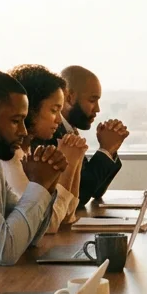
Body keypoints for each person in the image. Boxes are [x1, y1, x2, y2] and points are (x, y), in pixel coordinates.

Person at [0, 69, 67, 266]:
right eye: (15, 121)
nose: (24, 131)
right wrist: (40, 186)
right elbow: (4, 250)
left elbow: (31, 237)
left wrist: (49, 185)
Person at [9, 64, 88, 231]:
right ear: (30, 108)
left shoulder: (28, 150)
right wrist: (69, 163)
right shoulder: (10, 157)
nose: (59, 120)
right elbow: (49, 225)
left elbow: (68, 214)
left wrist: (77, 158)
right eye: (54, 110)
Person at [56, 65, 128, 204]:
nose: (98, 109)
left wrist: (110, 149)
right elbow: (80, 195)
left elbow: (96, 190)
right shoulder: (54, 133)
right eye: (92, 100)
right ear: (69, 97)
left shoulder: (69, 130)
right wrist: (105, 149)